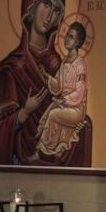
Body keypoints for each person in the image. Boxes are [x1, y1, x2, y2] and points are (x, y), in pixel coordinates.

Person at [0, 0, 92, 167]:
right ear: (30, 6)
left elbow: (75, 100)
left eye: (56, 9)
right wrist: (24, 113)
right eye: (46, 4)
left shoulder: (61, 64)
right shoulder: (10, 68)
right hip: (17, 161)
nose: (50, 15)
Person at [31, 21, 88, 161]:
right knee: (47, 113)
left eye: (71, 37)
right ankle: (55, 150)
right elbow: (58, 86)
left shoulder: (80, 64)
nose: (66, 39)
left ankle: (40, 152)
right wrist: (47, 76)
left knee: (52, 114)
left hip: (76, 108)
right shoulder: (64, 62)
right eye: (67, 35)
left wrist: (65, 100)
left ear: (78, 42)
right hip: (65, 104)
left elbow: (80, 92)